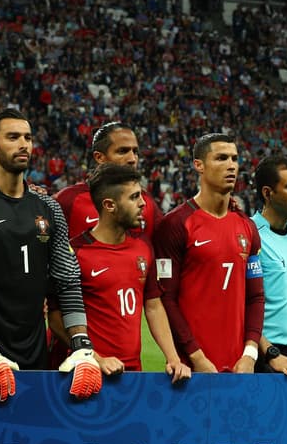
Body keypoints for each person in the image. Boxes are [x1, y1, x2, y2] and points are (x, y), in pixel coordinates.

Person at [0, 108, 100, 401]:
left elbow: (67, 281)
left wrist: (82, 347)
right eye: (13, 137)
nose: (23, 144)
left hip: (36, 354)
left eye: (27, 137)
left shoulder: (49, 208)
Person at [51, 163, 190, 383]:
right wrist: (95, 358)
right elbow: (56, 317)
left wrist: (173, 357)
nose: (143, 203)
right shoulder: (76, 253)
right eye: (134, 197)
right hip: (87, 373)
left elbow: (153, 306)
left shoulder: (143, 248)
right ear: (109, 205)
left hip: (133, 374)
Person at [154, 132, 265, 374]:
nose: (231, 166)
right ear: (199, 165)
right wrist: (197, 358)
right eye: (221, 158)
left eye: (235, 159)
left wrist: (250, 354)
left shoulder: (247, 226)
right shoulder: (175, 225)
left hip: (239, 367)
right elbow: (166, 300)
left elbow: (255, 297)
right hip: (192, 369)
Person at [251, 155, 287, 383]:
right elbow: (240, 305)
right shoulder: (249, 234)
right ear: (267, 193)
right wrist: (270, 353)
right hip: (262, 353)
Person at [54, 122, 160, 242]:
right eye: (122, 151)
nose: (132, 159)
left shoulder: (147, 203)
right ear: (99, 157)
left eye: (135, 152)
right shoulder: (68, 200)